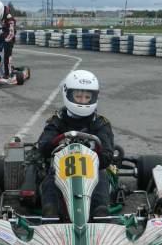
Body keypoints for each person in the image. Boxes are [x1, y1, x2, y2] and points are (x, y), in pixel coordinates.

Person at [35, 70, 114, 220]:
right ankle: (51, 213)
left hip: (93, 170)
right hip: (61, 169)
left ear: (94, 97)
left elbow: (106, 156)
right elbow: (43, 146)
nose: (82, 101)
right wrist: (55, 144)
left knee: (102, 176)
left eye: (87, 97)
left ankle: (100, 213)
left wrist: (96, 151)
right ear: (68, 94)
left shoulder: (100, 123)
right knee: (50, 178)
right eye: (78, 96)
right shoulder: (57, 120)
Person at [0, 2, 16, 78]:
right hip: (3, 38)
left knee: (7, 56)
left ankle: (7, 73)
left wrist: (5, 40)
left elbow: (11, 32)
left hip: (9, 40)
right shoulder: (1, 17)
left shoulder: (9, 18)